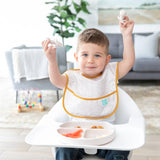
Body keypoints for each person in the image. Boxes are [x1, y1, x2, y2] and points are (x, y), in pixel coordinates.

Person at [42, 15, 135, 160]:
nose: (90, 60)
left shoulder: (110, 73)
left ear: (107, 59)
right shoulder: (72, 77)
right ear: (76, 57)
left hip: (106, 136)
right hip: (76, 135)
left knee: (121, 151)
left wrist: (126, 35)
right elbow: (56, 80)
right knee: (63, 151)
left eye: (97, 55)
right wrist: (51, 60)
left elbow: (128, 61)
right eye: (85, 54)